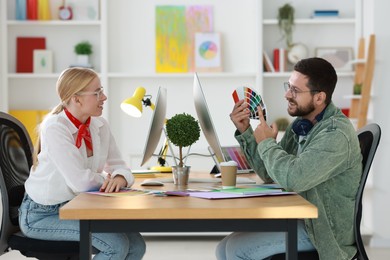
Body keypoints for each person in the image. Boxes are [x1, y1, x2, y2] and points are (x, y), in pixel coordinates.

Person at [216, 57, 362, 260]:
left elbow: (294, 178)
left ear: (319, 98)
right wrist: (246, 130)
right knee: (223, 247)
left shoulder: (335, 134)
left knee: (235, 250)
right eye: (288, 86)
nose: (287, 94)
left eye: (295, 90)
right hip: (301, 218)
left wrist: (267, 144)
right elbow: (270, 174)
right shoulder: (302, 124)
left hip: (323, 232)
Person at [18, 67, 146, 260]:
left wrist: (119, 178)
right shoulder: (55, 128)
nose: (104, 97)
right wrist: (106, 179)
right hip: (42, 215)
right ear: (76, 99)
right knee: (117, 246)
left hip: (78, 206)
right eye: (97, 93)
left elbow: (120, 166)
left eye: (101, 91)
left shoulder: (100, 125)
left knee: (137, 245)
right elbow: (80, 182)